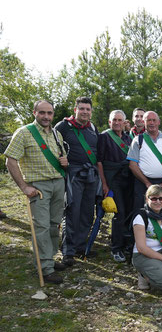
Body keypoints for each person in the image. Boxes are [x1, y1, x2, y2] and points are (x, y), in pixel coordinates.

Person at [5, 100, 68, 283]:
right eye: (42, 113)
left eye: (49, 113)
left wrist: (65, 162)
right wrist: (24, 186)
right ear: (34, 113)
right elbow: (10, 161)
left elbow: (61, 157)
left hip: (58, 183)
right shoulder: (24, 133)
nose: (46, 116)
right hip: (38, 186)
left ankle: (48, 258)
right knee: (40, 227)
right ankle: (45, 268)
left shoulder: (57, 134)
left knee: (54, 223)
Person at [55, 96, 100, 266]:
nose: (85, 112)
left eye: (88, 109)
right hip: (73, 175)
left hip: (91, 175)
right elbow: (52, 146)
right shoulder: (63, 126)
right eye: (82, 108)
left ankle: (81, 246)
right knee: (72, 211)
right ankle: (68, 251)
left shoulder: (92, 128)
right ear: (76, 110)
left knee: (88, 212)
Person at [96, 110, 133, 262]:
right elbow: (99, 162)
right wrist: (104, 184)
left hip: (127, 177)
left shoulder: (128, 138)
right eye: (114, 120)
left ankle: (127, 243)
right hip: (112, 178)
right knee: (120, 212)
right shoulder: (104, 137)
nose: (117, 123)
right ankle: (116, 247)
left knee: (130, 211)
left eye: (120, 120)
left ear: (124, 122)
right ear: (109, 122)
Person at [127, 111, 162, 210]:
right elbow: (132, 165)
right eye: (148, 120)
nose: (151, 123)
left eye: (154, 120)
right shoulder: (138, 140)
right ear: (144, 122)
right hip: (143, 184)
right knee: (141, 212)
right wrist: (147, 183)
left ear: (159, 122)